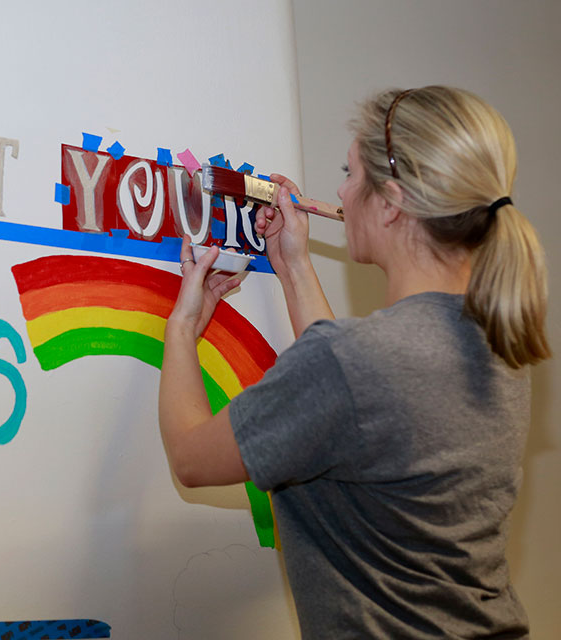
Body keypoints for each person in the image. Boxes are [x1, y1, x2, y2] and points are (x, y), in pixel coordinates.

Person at [158, 86, 550, 639]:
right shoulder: (498, 346)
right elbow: (347, 409)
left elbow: (191, 460)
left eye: (350, 172)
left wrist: (181, 326)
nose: (340, 189)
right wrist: (292, 265)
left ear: (390, 203)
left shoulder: (354, 361)